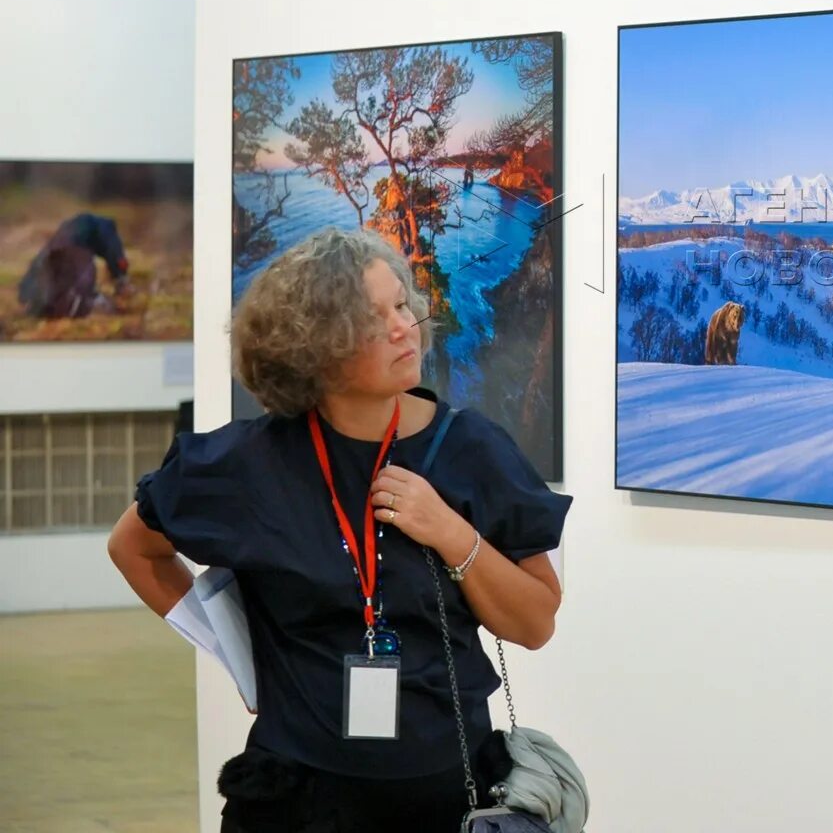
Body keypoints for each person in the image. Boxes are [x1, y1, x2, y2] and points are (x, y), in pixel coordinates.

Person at [107, 228, 572, 832]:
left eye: (402, 305)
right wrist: (243, 663)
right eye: (372, 320)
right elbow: (133, 548)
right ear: (314, 347)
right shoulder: (245, 464)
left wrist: (451, 533)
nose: (405, 328)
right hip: (295, 795)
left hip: (449, 791)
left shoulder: (471, 450)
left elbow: (534, 623)